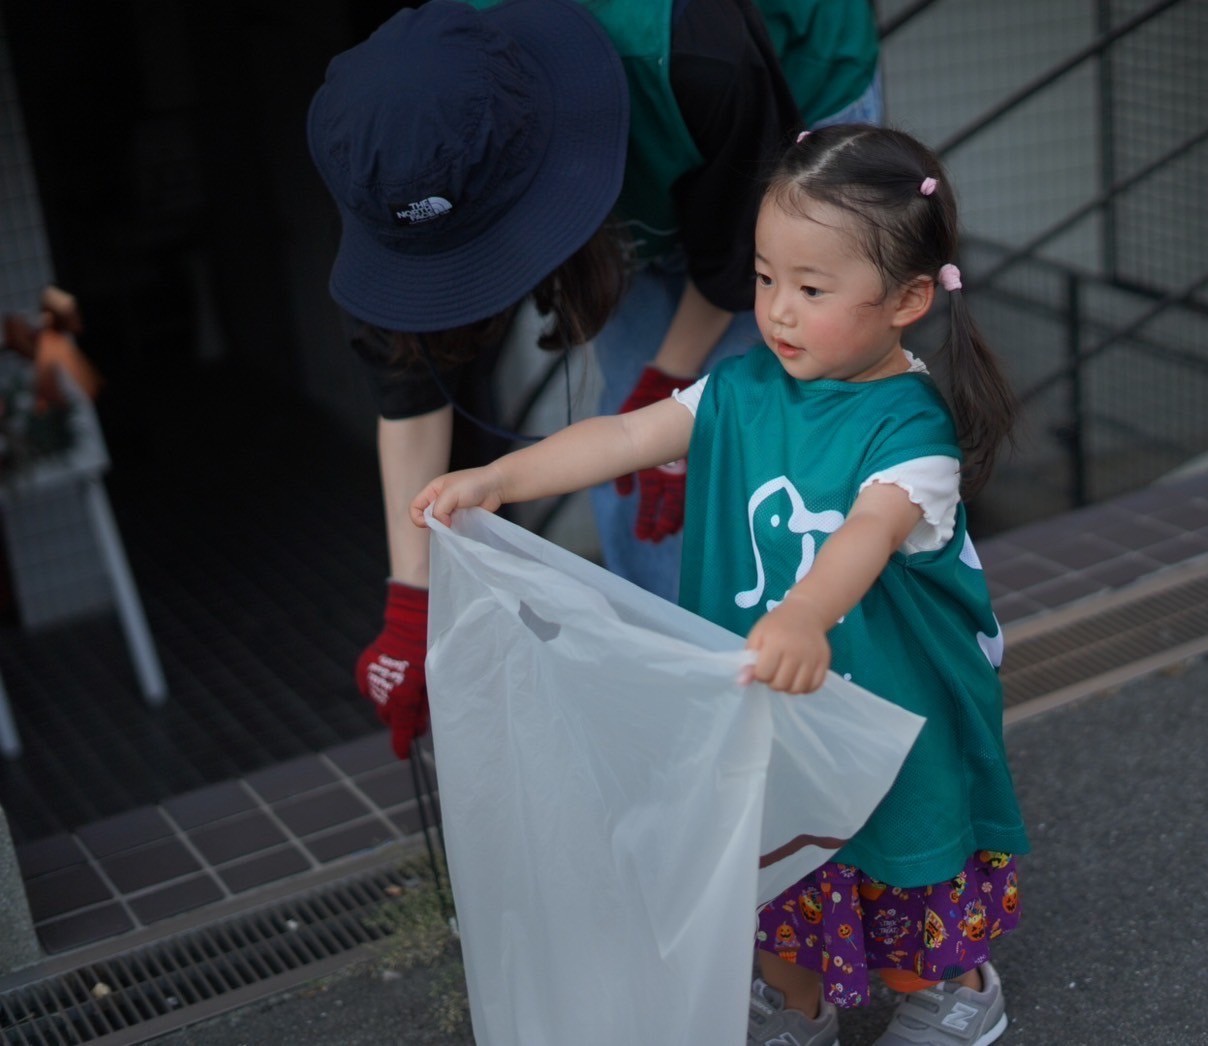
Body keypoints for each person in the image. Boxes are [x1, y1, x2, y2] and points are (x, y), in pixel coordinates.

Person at [412, 123, 1029, 1046]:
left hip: (888, 704)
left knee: (900, 856)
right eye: (766, 277)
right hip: (766, 697)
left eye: (811, 289)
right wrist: (502, 477)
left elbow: (867, 532)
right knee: (770, 867)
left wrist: (806, 613)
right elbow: (628, 436)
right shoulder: (741, 389)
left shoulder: (912, 433)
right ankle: (796, 1004)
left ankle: (953, 989)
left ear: (907, 299)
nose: (777, 311)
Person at [308, 0, 881, 760]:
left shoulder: (692, 54)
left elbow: (736, 257)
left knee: (777, 457)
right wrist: (412, 600)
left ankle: (835, 729)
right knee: (642, 485)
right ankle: (700, 733)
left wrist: (672, 380)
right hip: (647, 135)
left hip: (785, 87)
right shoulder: (386, 152)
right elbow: (408, 377)